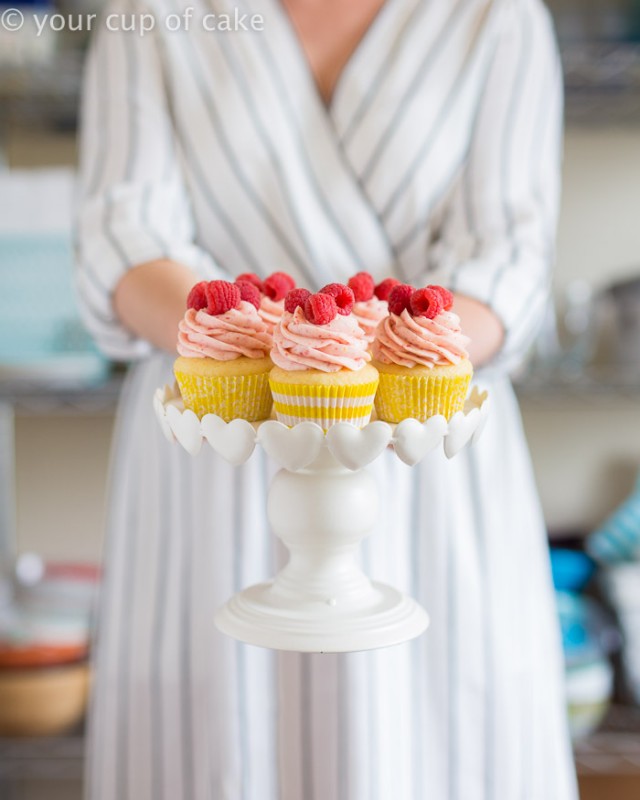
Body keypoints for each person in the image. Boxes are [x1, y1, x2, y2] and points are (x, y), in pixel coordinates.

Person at [76, 0, 578, 797]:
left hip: (422, 454)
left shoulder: (498, 15)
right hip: (218, 442)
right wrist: (269, 348)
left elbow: (507, 261)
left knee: (433, 750)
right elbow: (125, 237)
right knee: (218, 751)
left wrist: (362, 363)